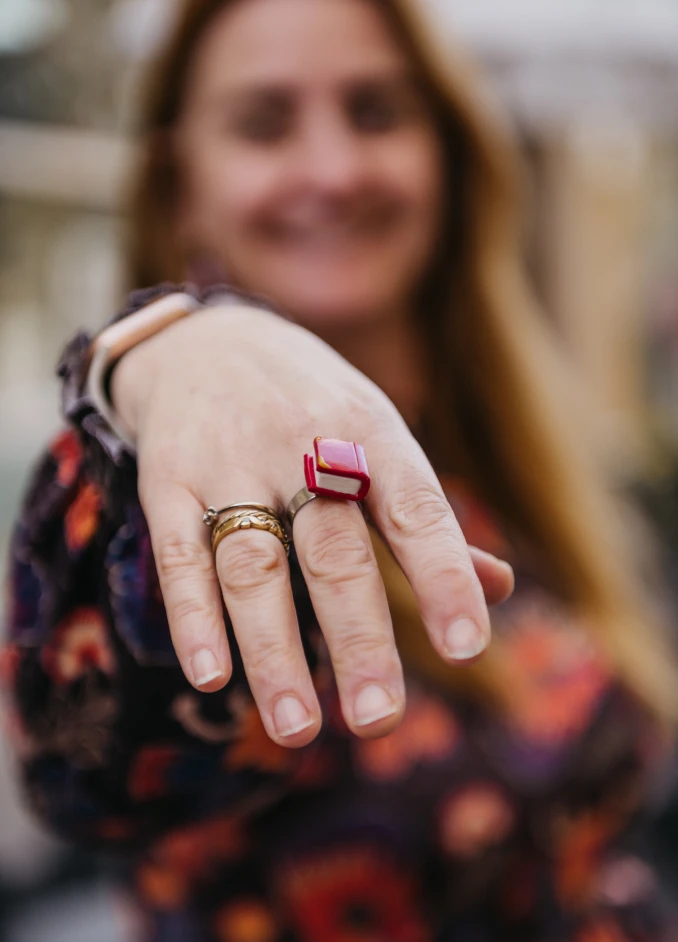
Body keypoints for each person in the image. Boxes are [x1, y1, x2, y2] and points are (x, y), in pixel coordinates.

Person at [3, 0, 677, 938]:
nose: (332, 167)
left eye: (375, 111)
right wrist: (170, 350)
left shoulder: (519, 448)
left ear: (446, 152)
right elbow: (86, 774)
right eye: (264, 123)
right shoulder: (168, 492)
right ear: (181, 183)